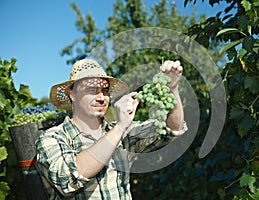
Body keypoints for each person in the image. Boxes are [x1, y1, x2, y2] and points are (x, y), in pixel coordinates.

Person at [35, 58, 187, 199]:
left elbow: (171, 129)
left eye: (105, 91)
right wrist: (120, 127)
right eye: (91, 90)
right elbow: (69, 178)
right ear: (72, 94)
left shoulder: (121, 133)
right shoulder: (52, 138)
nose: (101, 97)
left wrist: (172, 89)